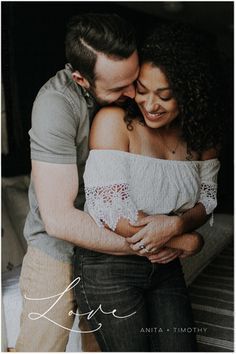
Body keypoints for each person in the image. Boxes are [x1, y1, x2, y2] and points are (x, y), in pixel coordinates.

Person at [74, 23, 222, 352]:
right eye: (142, 89)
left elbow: (207, 199)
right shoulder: (114, 121)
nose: (150, 103)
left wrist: (180, 223)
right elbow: (111, 212)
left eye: (165, 95)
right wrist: (186, 239)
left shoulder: (203, 137)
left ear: (189, 93)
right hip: (108, 265)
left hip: (165, 266)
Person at [16, 13, 141, 352]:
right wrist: (144, 246)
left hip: (113, 249)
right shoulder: (55, 104)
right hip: (57, 249)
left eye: (135, 79)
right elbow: (59, 218)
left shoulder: (139, 93)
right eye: (119, 88)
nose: (134, 93)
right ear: (81, 79)